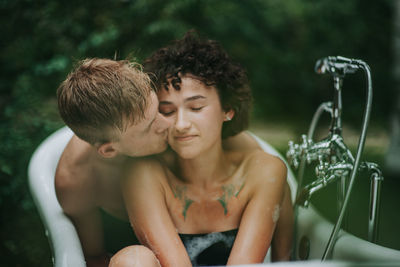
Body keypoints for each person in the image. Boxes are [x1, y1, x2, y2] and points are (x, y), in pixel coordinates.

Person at [55, 58, 263, 267]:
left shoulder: (154, 114)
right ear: (109, 149)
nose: (167, 124)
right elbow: (93, 256)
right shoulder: (77, 182)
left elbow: (259, 166)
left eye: (160, 110)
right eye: (149, 127)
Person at [112, 32, 293, 267]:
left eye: (196, 107)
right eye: (167, 111)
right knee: (133, 260)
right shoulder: (146, 173)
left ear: (228, 109)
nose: (180, 125)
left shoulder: (263, 171)